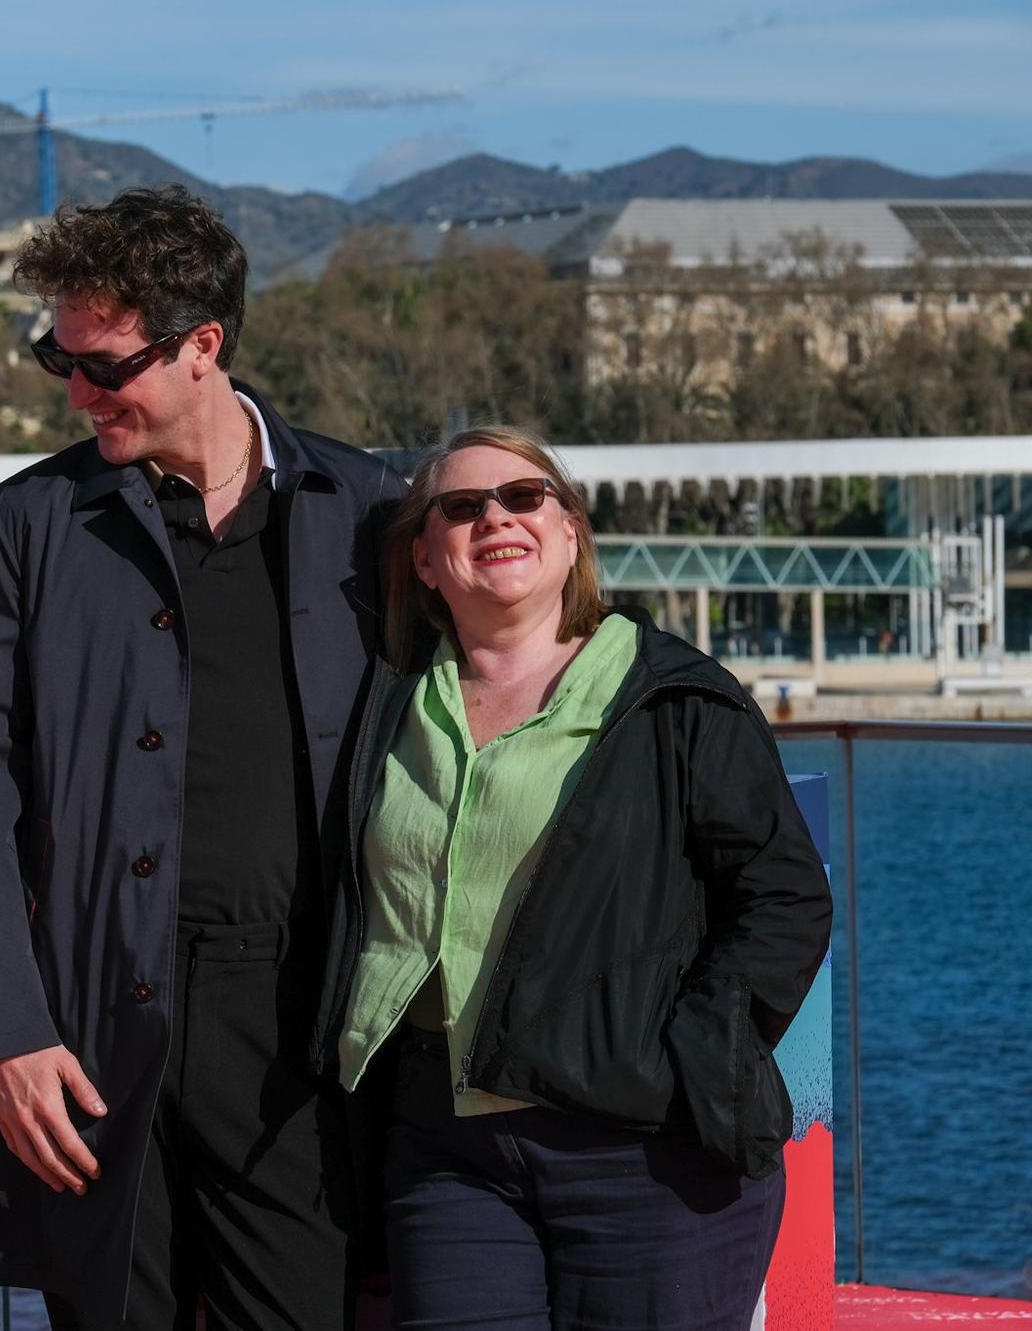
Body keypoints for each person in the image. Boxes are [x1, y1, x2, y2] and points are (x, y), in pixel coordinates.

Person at [0, 184, 406, 1328]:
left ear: (203, 346)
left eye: (108, 365)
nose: (78, 390)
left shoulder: (364, 507)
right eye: (62, 358)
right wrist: (4, 1030)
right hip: (92, 1022)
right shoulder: (28, 522)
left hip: (299, 1026)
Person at [316, 425, 832, 1328]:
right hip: (447, 1150)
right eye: (463, 507)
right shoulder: (384, 710)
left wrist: (690, 1054)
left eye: (524, 498)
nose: (496, 519)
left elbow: (782, 897)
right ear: (426, 557)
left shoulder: (673, 698)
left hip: (643, 1149)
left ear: (570, 535)